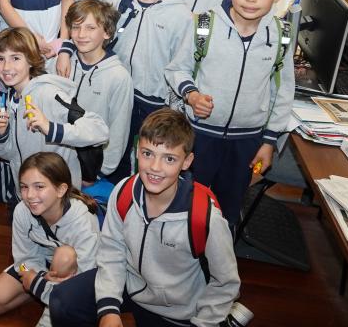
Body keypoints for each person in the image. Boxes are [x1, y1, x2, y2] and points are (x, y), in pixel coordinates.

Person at [47, 109, 241, 327]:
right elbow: (112, 251)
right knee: (62, 301)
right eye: (148, 153)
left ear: (186, 161)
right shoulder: (123, 192)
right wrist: (108, 308)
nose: (155, 167)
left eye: (169, 158)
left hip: (177, 309)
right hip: (132, 283)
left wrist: (204, 323)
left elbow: (226, 283)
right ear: (137, 151)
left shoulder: (204, 217)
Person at [167, 0, 294, 228]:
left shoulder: (282, 36)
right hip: (200, 136)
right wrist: (192, 95)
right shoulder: (205, 24)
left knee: (226, 211)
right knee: (187, 207)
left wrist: (269, 142)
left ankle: (217, 266)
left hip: (247, 142)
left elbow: (282, 93)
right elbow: (177, 70)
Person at [108, 0, 194, 183]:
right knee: (117, 155)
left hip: (154, 103)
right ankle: (117, 204)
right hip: (120, 94)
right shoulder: (122, 1)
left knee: (145, 162)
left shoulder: (181, 16)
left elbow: (181, 66)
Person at [0, 27, 108, 199]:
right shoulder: (10, 99)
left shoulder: (47, 94)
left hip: (59, 199)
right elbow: (10, 156)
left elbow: (99, 130)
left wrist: (50, 128)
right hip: (27, 195)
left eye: (15, 58)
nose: (7, 67)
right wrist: (0, 135)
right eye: (0, 59)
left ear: (30, 60)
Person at [0, 152, 98, 326]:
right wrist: (39, 277)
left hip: (74, 275)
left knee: (64, 256)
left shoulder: (83, 222)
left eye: (39, 187)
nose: (29, 195)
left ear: (61, 189)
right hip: (38, 269)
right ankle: (40, 293)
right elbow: (21, 261)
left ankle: (48, 306)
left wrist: (39, 284)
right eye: (24, 187)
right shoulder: (22, 210)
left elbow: (86, 279)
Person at [58, 0, 133, 184]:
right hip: (58, 160)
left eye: (90, 28)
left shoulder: (119, 77)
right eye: (76, 27)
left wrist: (98, 172)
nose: (81, 34)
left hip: (91, 170)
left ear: (107, 32)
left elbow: (118, 133)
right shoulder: (60, 64)